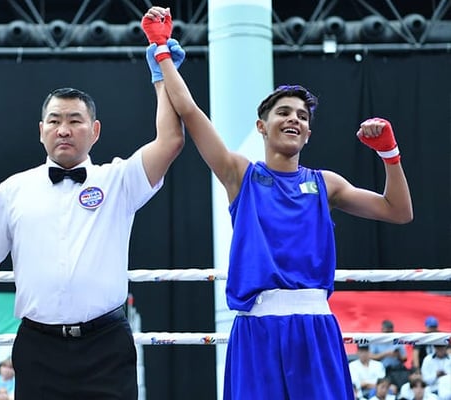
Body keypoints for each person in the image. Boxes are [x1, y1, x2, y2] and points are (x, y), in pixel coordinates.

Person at [142, 5, 414, 399]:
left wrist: (389, 154)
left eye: (302, 116)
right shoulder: (241, 175)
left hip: (315, 325)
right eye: (284, 112)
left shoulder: (326, 185)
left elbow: (399, 212)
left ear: (308, 132)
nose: (294, 119)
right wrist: (161, 51)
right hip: (257, 327)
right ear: (261, 127)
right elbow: (189, 111)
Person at [0, 69, 185, 397]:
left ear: (95, 130)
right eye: (55, 120)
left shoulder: (118, 180)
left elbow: (171, 140)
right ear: (41, 130)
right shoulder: (13, 190)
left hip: (107, 346)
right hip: (38, 347)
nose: (64, 130)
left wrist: (163, 74)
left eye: (75, 120)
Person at [371, 320, 408, 388]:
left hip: (398, 370)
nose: (388, 334)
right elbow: (371, 357)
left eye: (390, 332)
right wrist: (385, 354)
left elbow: (405, 358)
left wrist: (398, 355)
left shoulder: (397, 340)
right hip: (383, 370)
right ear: (382, 330)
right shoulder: (376, 340)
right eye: (386, 332)